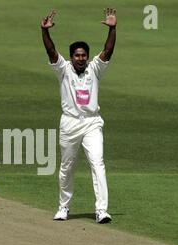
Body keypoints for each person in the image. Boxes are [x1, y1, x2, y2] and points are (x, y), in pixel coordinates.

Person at [41, 8, 116, 223]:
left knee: (98, 163)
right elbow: (51, 52)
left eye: (83, 55)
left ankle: (102, 210)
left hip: (92, 122)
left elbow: (107, 51)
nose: (81, 59)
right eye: (77, 56)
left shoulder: (94, 69)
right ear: (72, 57)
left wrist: (112, 29)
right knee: (67, 167)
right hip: (70, 124)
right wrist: (44, 32)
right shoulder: (63, 69)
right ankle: (63, 207)